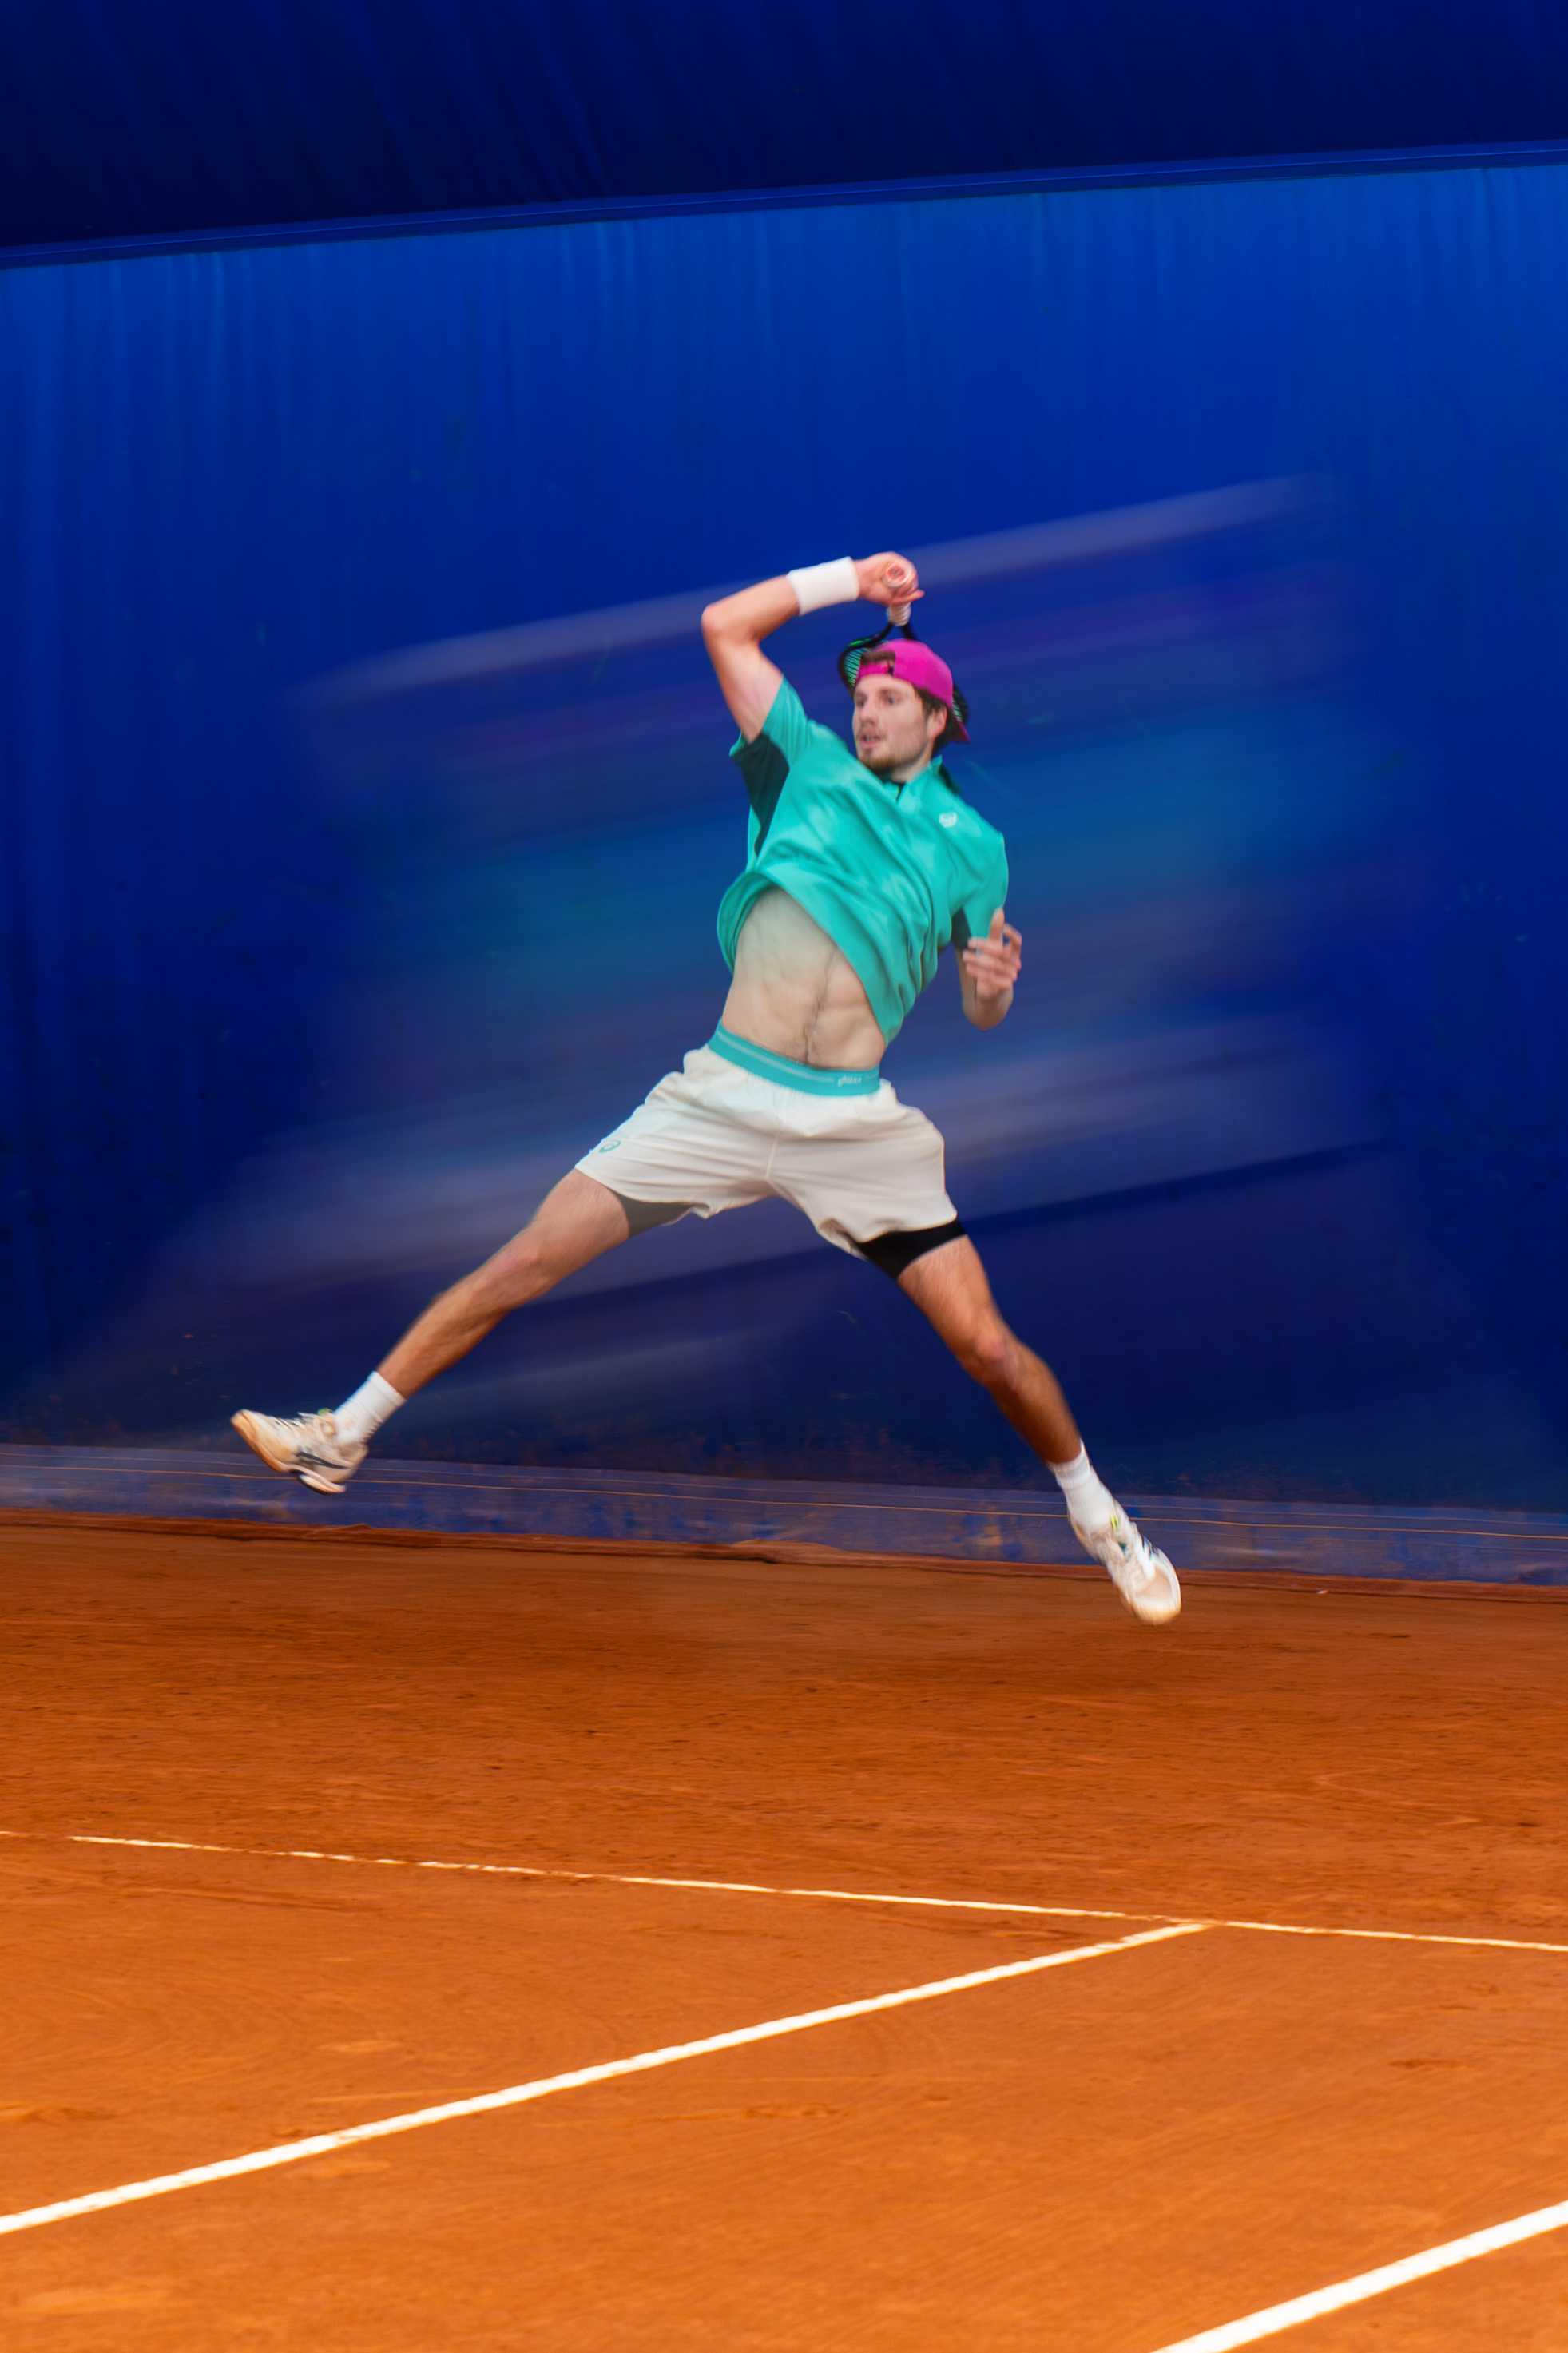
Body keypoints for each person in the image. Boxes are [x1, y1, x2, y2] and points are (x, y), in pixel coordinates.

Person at [232, 551, 1179, 1624]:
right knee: (526, 1260)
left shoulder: (977, 850)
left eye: (887, 699)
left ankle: (1099, 1517)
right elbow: (725, 626)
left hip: (854, 1126)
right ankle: (340, 1435)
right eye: (858, 696)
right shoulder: (798, 763)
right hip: (719, 1096)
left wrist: (994, 991)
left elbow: (977, 1006)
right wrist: (847, 579)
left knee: (987, 1348)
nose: (864, 713)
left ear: (938, 719)